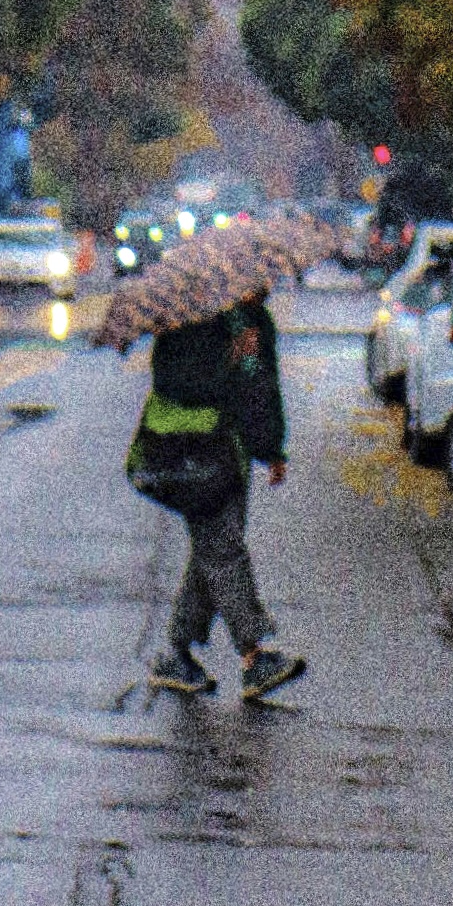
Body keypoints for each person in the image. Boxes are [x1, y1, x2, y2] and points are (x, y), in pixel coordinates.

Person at [147, 292, 307, 702]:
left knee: (213, 550)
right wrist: (227, 359)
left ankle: (176, 653)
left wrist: (271, 446)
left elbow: (261, 386)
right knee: (222, 548)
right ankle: (253, 657)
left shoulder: (254, 319)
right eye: (257, 277)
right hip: (192, 450)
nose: (265, 283)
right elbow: (172, 382)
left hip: (232, 451)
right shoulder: (187, 315)